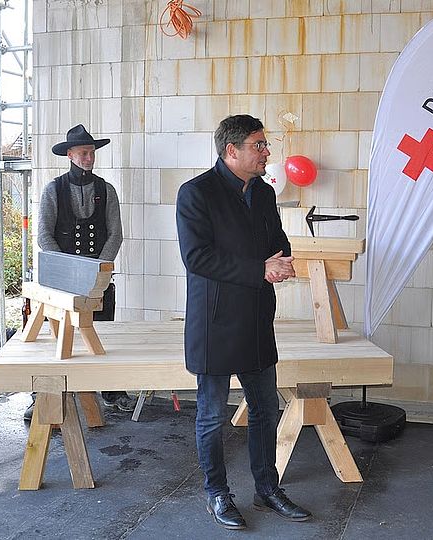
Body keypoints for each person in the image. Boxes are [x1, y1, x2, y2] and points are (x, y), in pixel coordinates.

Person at [176, 114, 311, 530]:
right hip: (214, 323)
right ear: (231, 151)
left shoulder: (265, 194)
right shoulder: (196, 193)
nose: (266, 152)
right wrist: (259, 269)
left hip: (255, 320)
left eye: (264, 144)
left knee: (267, 409)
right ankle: (217, 493)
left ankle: (267, 489)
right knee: (213, 417)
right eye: (259, 145)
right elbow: (197, 258)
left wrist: (280, 260)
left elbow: (277, 241)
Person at [25, 124, 133, 421]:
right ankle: (46, 395)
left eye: (91, 152)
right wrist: (67, 270)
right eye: (83, 153)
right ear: (70, 155)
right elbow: (44, 234)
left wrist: (100, 269)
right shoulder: (53, 189)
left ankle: (110, 392)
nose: (88, 158)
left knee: (103, 336)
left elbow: (115, 234)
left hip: (99, 277)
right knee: (58, 340)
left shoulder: (106, 190)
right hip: (62, 281)